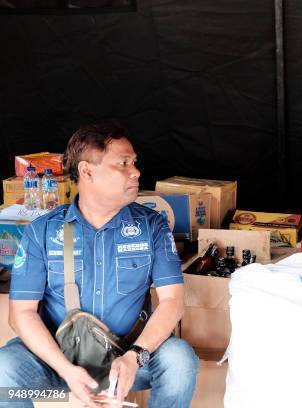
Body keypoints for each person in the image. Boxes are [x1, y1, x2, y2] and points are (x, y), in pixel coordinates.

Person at [0, 122, 199, 407]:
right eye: (123, 163)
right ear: (87, 171)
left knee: (179, 362)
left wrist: (135, 357)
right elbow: (20, 314)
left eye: (134, 162)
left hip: (129, 360)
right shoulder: (41, 232)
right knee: (3, 372)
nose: (136, 171)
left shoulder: (151, 226)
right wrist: (66, 371)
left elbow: (173, 301)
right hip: (60, 365)